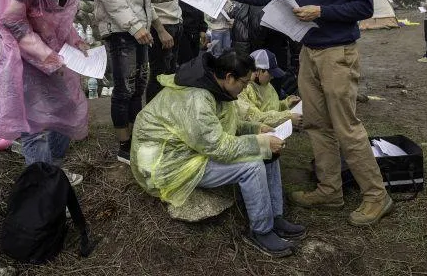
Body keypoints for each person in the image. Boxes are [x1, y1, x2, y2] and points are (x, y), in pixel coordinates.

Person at [206, 0, 392, 227]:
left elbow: (364, 7)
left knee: (345, 126)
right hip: (310, 53)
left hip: (338, 54)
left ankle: (377, 196)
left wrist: (321, 11)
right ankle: (329, 191)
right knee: (316, 124)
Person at [131, 50, 305, 257]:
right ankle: (261, 231)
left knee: (268, 152)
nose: (245, 89)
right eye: (244, 83)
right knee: (252, 165)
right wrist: (260, 144)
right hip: (170, 162)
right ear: (230, 77)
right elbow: (217, 146)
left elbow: (222, 124)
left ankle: (274, 215)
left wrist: (254, 129)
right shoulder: (197, 98)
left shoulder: (215, 86)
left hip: (191, 149)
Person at [0, 0, 101, 184]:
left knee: (66, 107)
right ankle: (43, 186)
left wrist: (76, 40)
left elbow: (58, 21)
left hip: (53, 53)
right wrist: (47, 55)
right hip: (20, 56)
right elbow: (12, 21)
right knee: (34, 124)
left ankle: (54, 172)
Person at [93, 0, 180, 164]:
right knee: (123, 87)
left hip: (139, 27)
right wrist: (134, 26)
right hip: (120, 30)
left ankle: (135, 138)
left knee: (140, 84)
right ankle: (123, 146)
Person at [230, 0, 290, 95]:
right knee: (274, 93)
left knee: (262, 97)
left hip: (260, 63)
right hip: (278, 58)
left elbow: (247, 39)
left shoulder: (251, 4)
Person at [238, 49, 302, 128]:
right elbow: (253, 117)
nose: (272, 77)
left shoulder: (267, 85)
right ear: (258, 71)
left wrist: (286, 103)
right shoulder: (242, 89)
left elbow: (271, 107)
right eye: (270, 73)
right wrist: (287, 117)